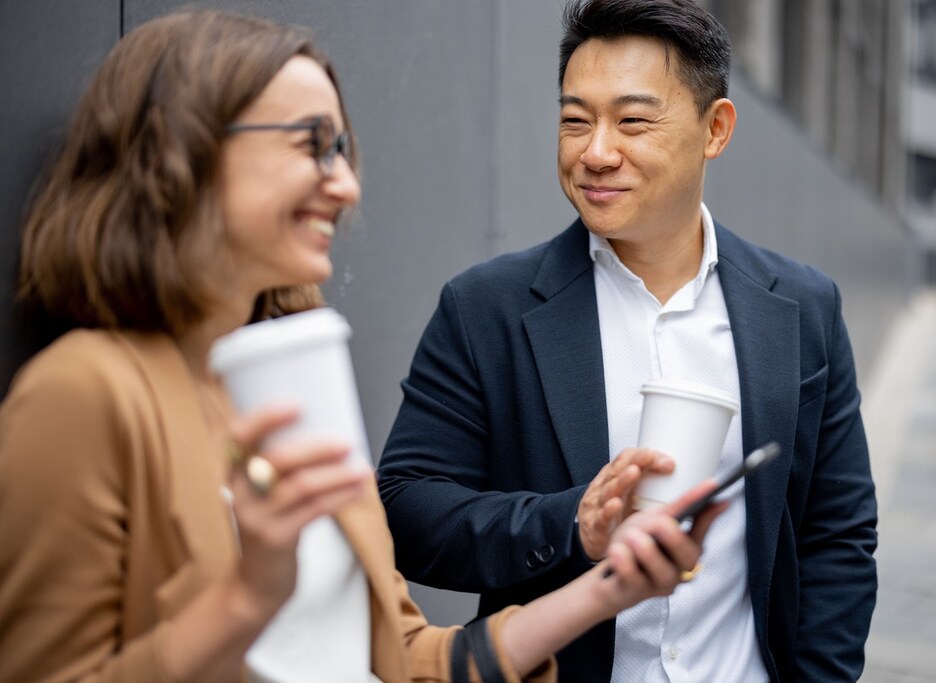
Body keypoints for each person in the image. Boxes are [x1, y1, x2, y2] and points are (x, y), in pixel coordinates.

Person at [0, 10, 729, 683]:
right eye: (310, 144)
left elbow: (405, 656)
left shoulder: (291, 390)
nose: (345, 184)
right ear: (177, 152)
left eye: (342, 149)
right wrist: (249, 596)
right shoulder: (81, 394)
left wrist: (612, 587)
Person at [377, 1, 878, 681]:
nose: (596, 152)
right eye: (575, 120)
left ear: (716, 128)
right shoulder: (485, 307)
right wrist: (572, 523)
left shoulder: (802, 307)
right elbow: (406, 508)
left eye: (633, 121)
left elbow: (835, 536)